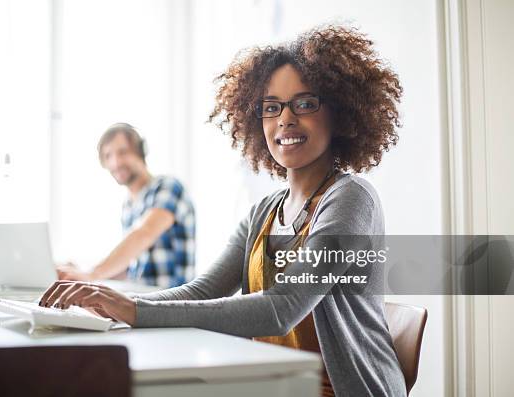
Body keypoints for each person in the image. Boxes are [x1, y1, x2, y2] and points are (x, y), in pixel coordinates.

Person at [40, 26, 407, 396]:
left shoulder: (351, 198)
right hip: (274, 386)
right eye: (271, 107)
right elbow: (203, 289)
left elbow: (282, 309)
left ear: (340, 113)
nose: (285, 119)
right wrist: (109, 302)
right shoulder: (264, 212)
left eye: (305, 103)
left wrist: (134, 311)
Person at [57, 123, 196, 288]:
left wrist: (92, 274)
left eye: (122, 152)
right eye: (108, 156)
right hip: (143, 300)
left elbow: (144, 233)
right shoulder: (128, 205)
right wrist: (78, 273)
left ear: (140, 152)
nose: (115, 162)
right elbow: (128, 268)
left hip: (173, 304)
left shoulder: (167, 187)